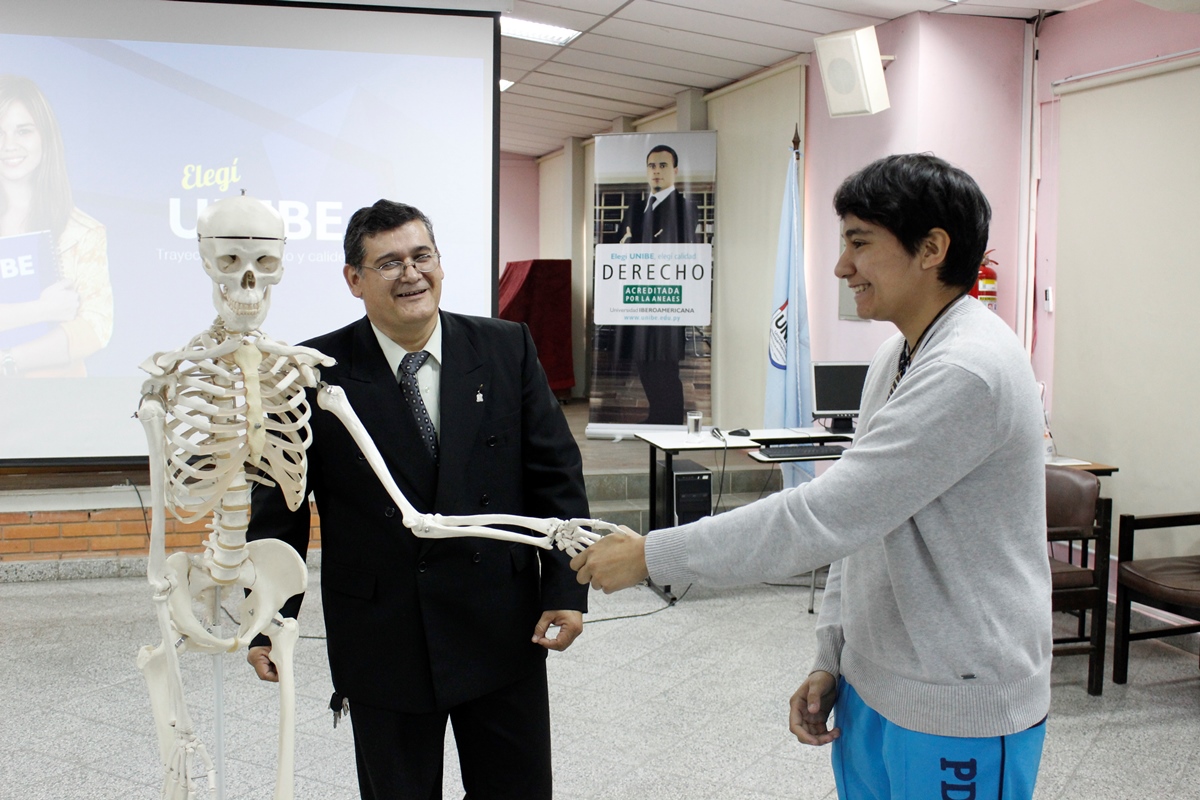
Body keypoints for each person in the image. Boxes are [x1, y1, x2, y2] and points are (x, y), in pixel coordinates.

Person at [574, 154, 1052, 799]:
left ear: (932, 248)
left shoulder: (968, 367)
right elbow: (862, 525)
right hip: (877, 682)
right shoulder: (898, 353)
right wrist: (836, 656)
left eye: (859, 243)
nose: (840, 266)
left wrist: (653, 554)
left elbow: (823, 514)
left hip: (956, 698)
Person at [245, 200, 589, 799]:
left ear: (439, 264)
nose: (411, 273)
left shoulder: (506, 348)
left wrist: (565, 588)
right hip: (383, 636)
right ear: (354, 280)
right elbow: (282, 512)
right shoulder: (309, 373)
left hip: (502, 627)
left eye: (421, 256)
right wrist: (269, 620)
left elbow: (555, 477)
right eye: (388, 263)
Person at [0, 75, 112, 378]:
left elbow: (94, 327)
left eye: (23, 131)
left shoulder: (81, 232)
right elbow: (58, 312)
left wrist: (8, 361)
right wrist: (42, 309)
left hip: (58, 406)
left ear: (44, 137)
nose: (9, 145)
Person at [602, 144, 700, 424]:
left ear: (676, 171)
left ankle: (670, 421)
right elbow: (619, 244)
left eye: (663, 166)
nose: (656, 171)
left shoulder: (685, 207)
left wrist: (634, 242)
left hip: (668, 300)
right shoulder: (636, 206)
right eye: (652, 166)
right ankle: (657, 414)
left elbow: (670, 248)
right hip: (637, 299)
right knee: (644, 361)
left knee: (664, 366)